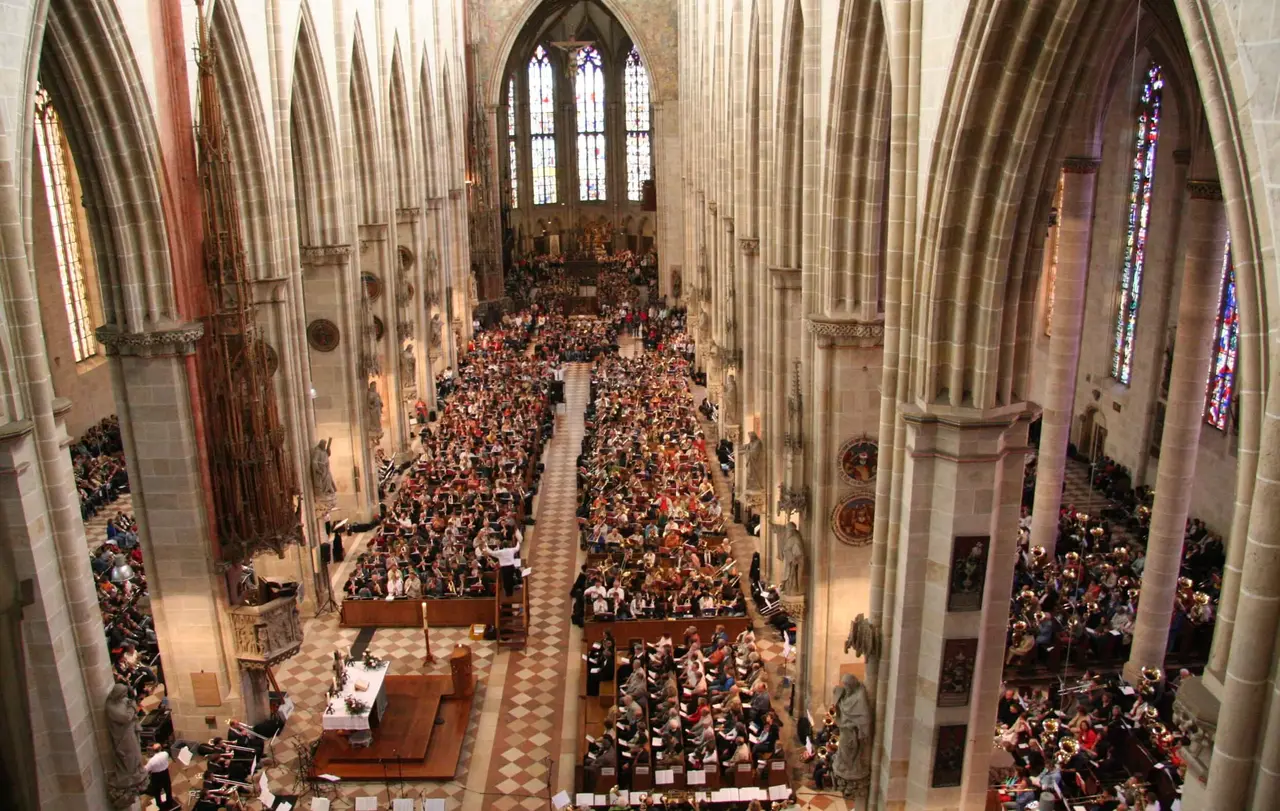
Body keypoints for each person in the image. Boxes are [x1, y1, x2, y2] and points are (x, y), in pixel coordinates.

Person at [144, 743, 175, 809]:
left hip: (156, 776)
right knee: (168, 788)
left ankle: (159, 804)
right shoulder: (165, 754)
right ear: (160, 748)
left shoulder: (152, 761)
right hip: (165, 773)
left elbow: (146, 770)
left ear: (153, 750)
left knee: (157, 791)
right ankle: (169, 802)